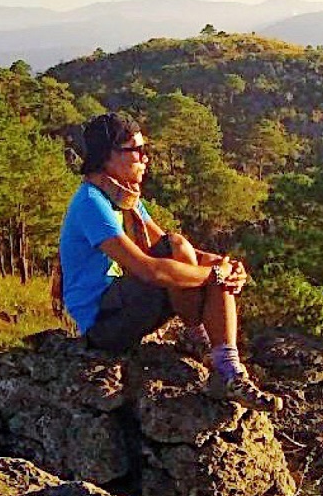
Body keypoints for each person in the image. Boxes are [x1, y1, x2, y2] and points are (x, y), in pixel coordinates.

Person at [58, 111, 281, 412]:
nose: (145, 158)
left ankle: (226, 367)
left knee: (193, 257)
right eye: (135, 150)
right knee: (191, 261)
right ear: (107, 156)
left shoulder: (125, 199)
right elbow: (147, 269)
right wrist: (214, 274)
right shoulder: (91, 203)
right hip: (104, 325)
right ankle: (204, 346)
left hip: (124, 304)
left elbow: (169, 245)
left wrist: (223, 265)